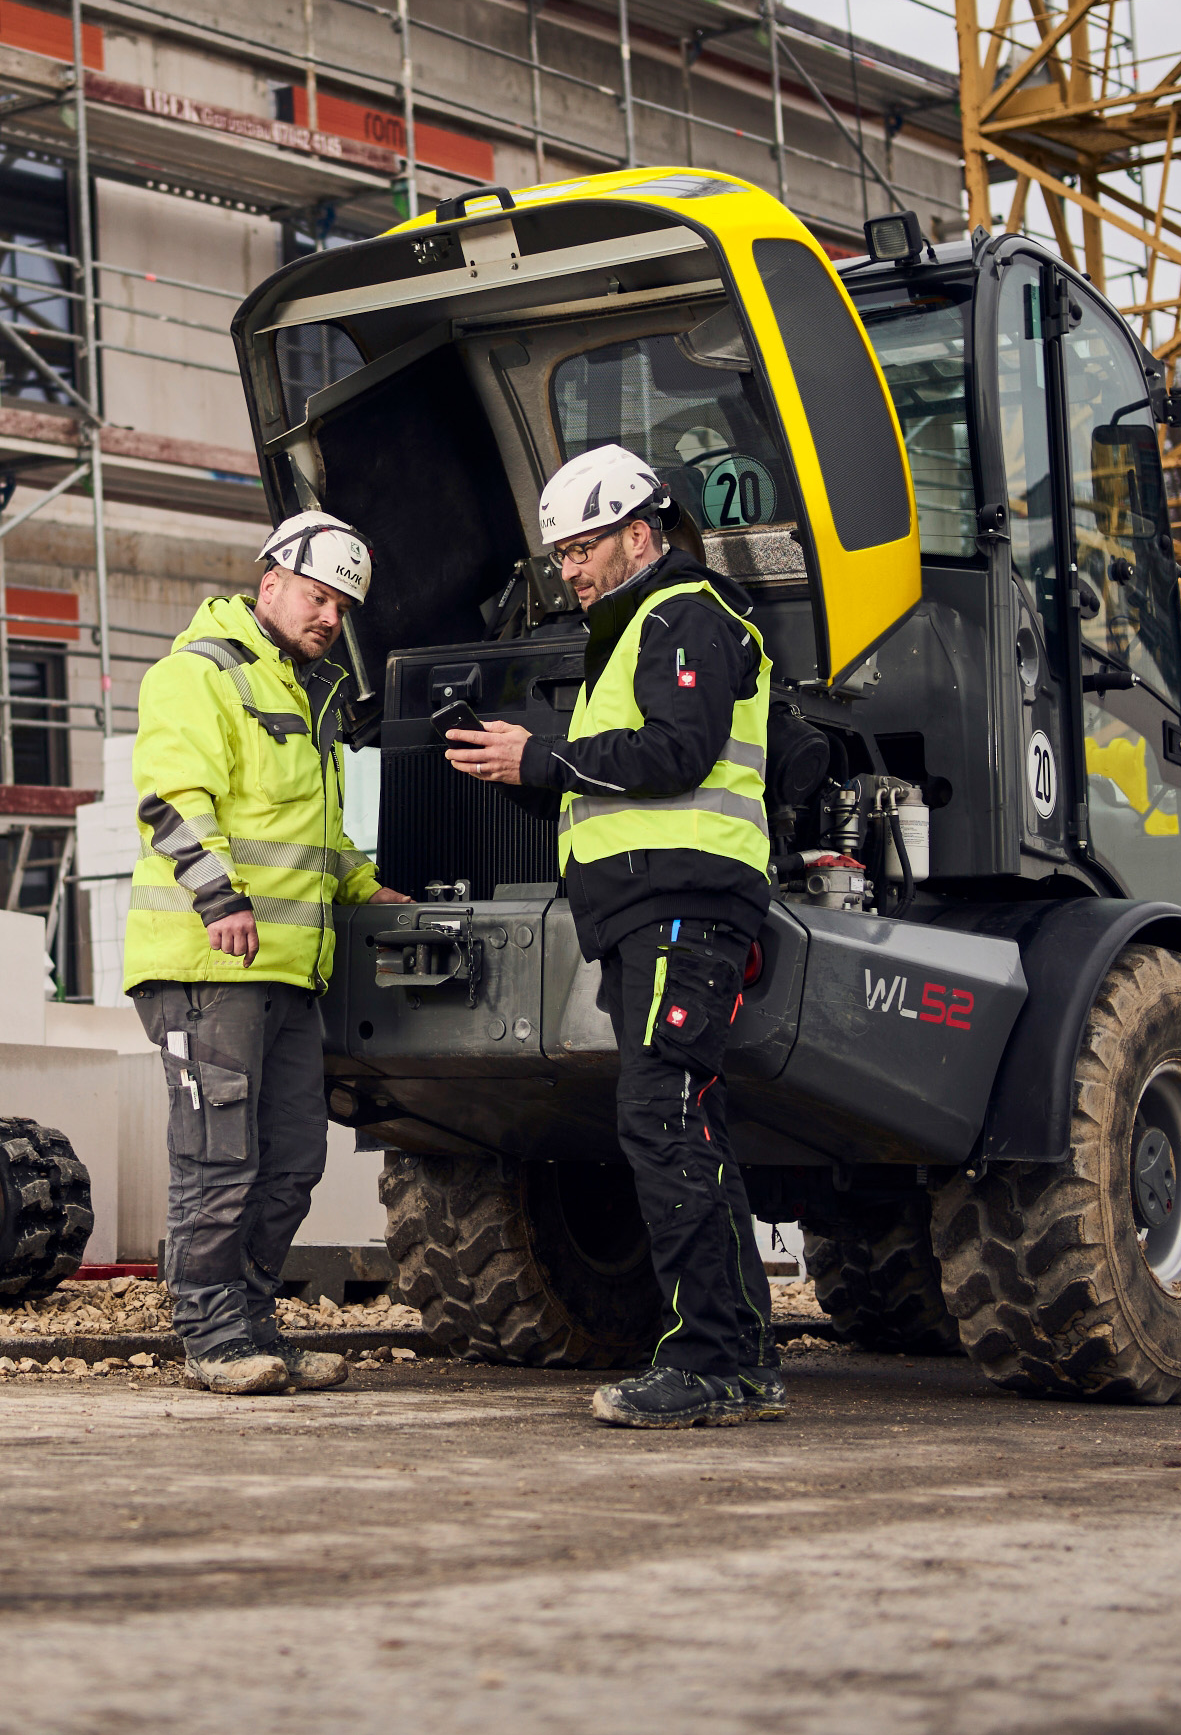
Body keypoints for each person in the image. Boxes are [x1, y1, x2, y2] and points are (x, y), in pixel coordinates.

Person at [444, 444, 784, 1430]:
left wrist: (540, 758)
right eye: (560, 556)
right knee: (678, 1117)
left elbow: (675, 752)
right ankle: (742, 1355)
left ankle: (715, 1358)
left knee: (664, 1115)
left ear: (641, 535)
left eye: (583, 548)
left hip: (686, 900)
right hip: (656, 905)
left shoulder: (684, 614)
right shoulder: (642, 624)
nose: (570, 569)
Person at [128, 510, 414, 1395]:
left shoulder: (307, 698)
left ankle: (255, 1325)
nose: (328, 617)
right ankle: (212, 1338)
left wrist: (368, 894)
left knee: (293, 1161)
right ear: (271, 583)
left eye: (341, 606)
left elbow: (313, 837)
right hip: (208, 968)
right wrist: (220, 899)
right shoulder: (198, 675)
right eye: (317, 595)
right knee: (217, 1161)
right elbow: (171, 800)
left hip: (288, 972)